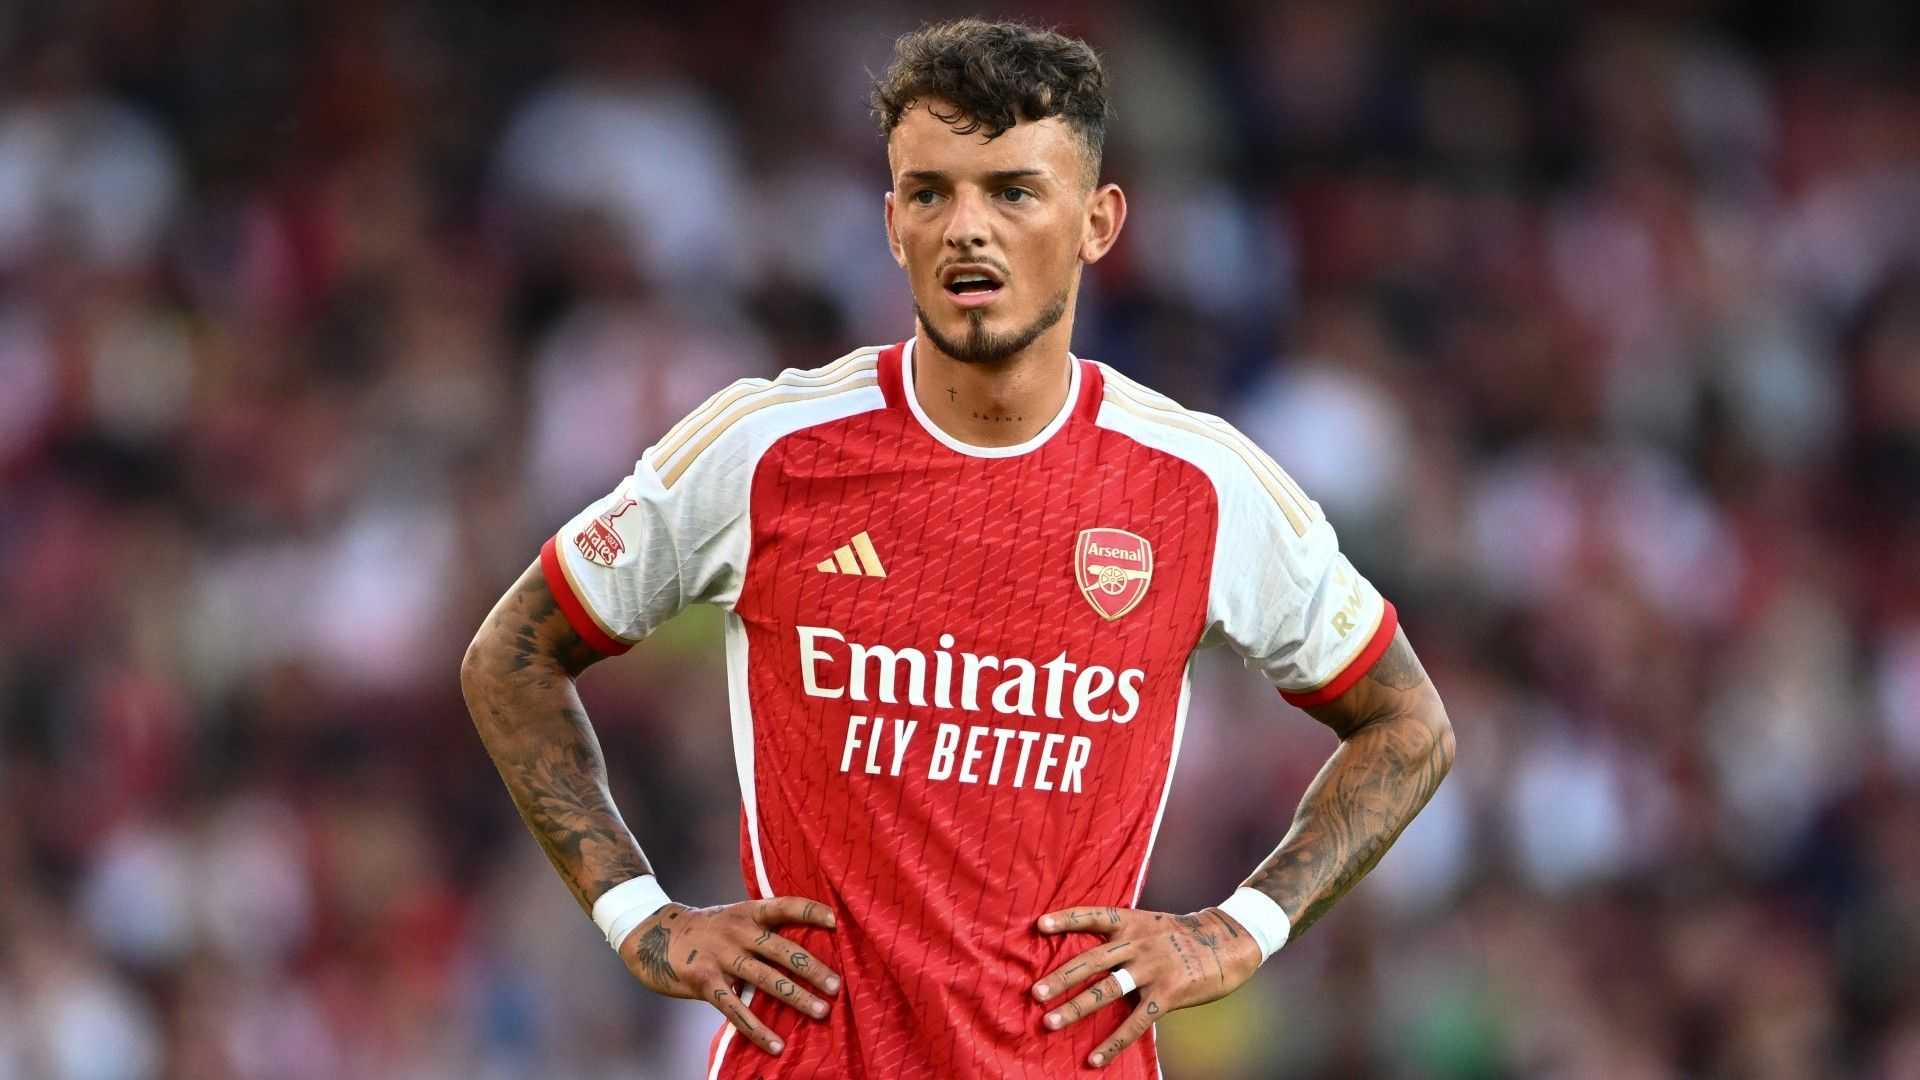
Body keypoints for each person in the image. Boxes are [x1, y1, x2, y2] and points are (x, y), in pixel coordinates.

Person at [461, 18, 1455, 1079]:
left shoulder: (1200, 484)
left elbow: (1410, 726)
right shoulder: (766, 448)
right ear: (893, 224)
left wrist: (1241, 928)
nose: (966, 228)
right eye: (930, 193)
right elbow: (509, 658)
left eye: (1013, 191)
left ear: (1098, 222)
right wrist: (637, 916)